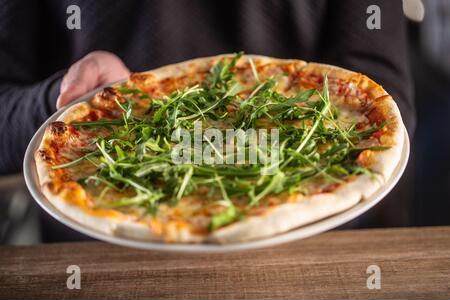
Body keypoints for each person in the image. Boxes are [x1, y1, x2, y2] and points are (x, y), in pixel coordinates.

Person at [0, 0, 416, 240]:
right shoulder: (84, 122)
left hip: (314, 261)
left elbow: (384, 100)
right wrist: (74, 106)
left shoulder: (359, 110)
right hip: (102, 268)